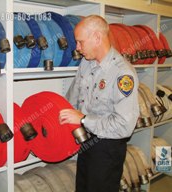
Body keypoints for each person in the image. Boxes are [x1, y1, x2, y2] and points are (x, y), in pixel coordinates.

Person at [59, 15, 139, 192]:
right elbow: (71, 99)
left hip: (107, 148)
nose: (77, 48)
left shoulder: (122, 73)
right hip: (86, 141)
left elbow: (124, 125)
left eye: (80, 42)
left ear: (97, 38)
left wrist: (84, 119)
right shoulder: (86, 64)